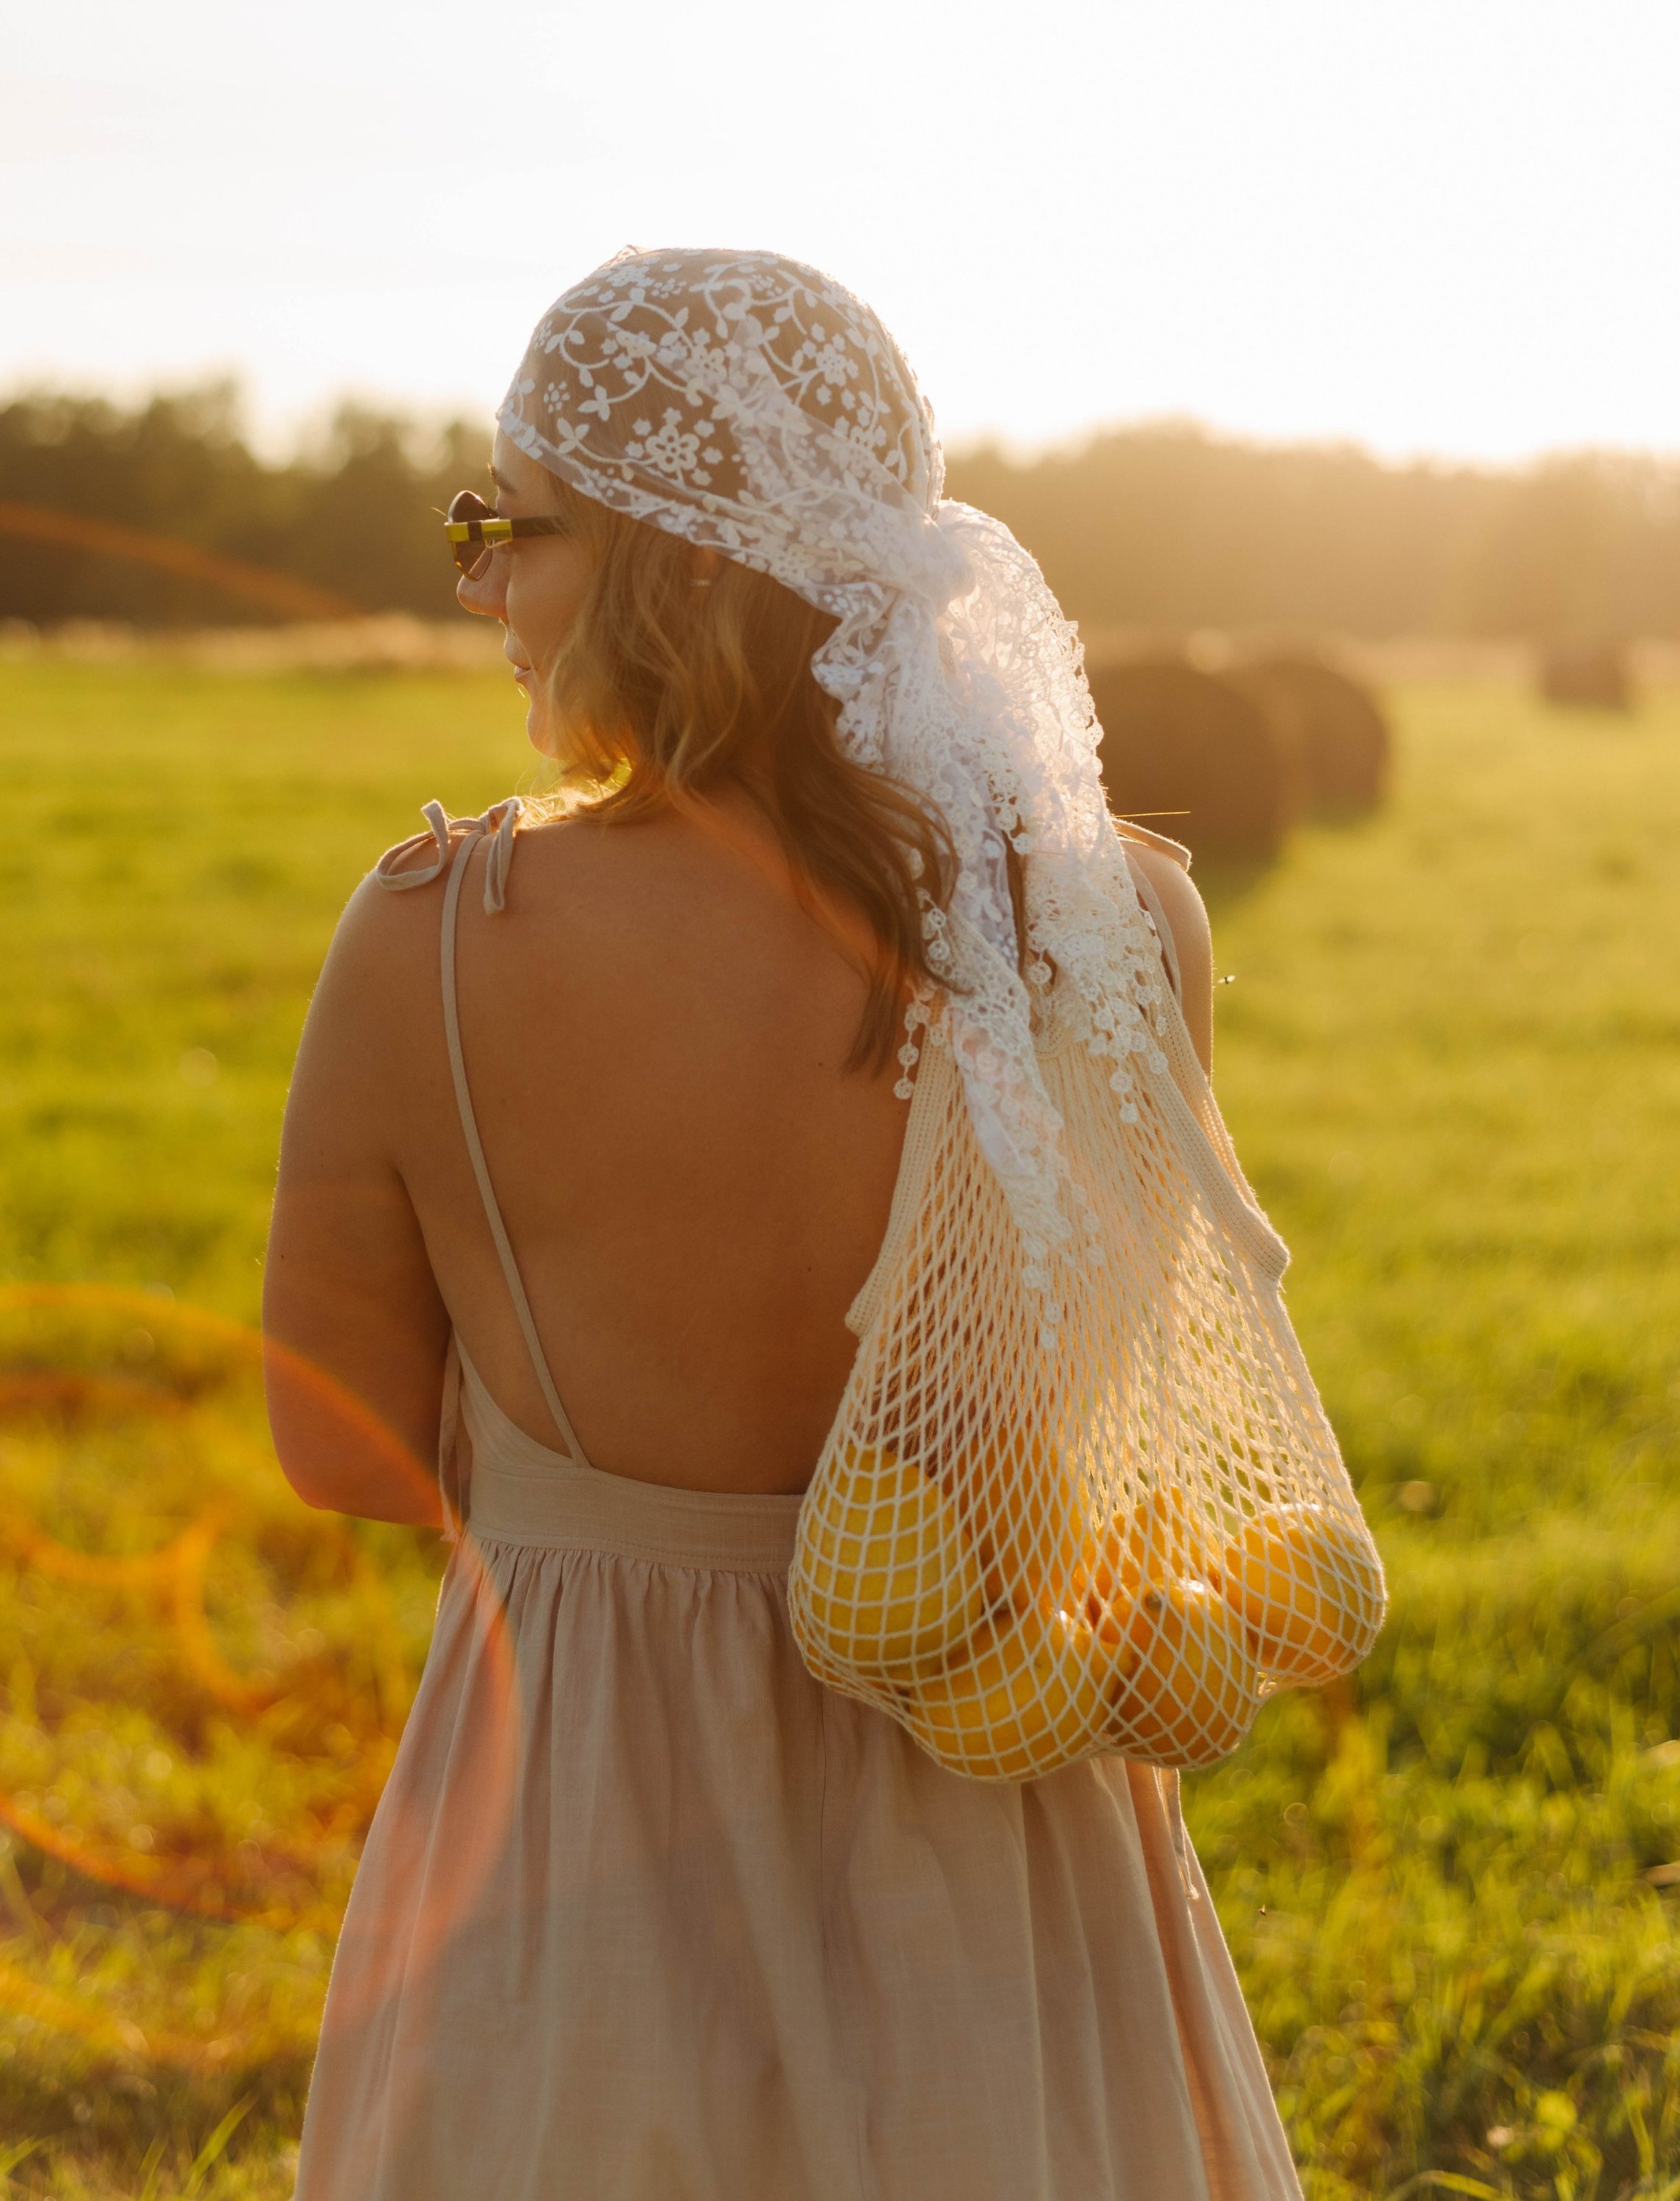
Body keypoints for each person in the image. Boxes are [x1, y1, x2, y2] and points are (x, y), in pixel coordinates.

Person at [265, 248, 1303, 2200]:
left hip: (576, 1838)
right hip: (993, 1814)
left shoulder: (428, 935)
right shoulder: (1108, 924)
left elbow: (335, 1442)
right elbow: (1079, 1393)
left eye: (510, 524)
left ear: (668, 563)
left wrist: (606, 1487)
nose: (480, 582)